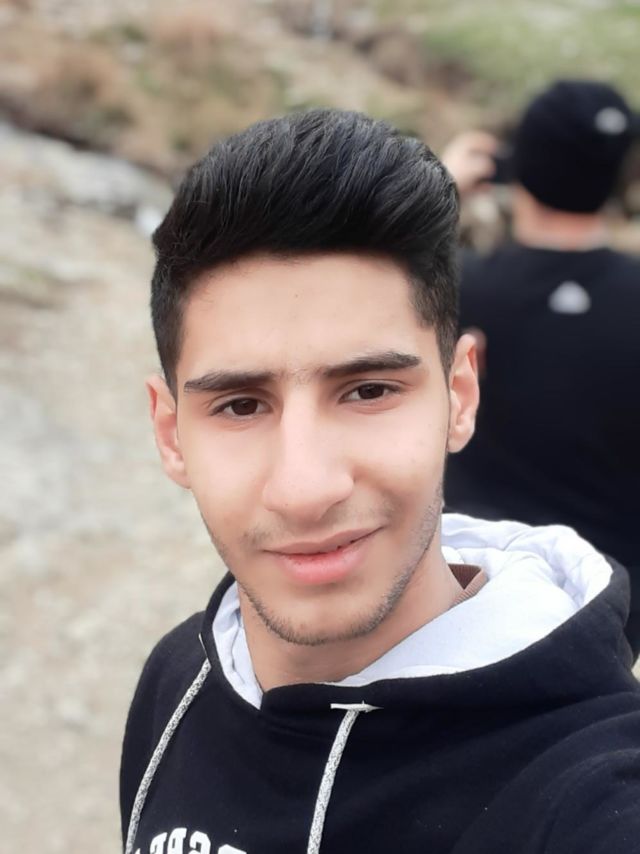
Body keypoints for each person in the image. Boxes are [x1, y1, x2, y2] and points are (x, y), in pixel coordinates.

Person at [120, 109, 640, 854]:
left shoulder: (588, 798)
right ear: (171, 434)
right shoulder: (178, 679)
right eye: (240, 405)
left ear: (459, 396)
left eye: (368, 391)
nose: (305, 489)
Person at [443, 80, 640, 654]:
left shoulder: (456, 291)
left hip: (469, 592)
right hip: (610, 610)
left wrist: (440, 193)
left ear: (517, 167)